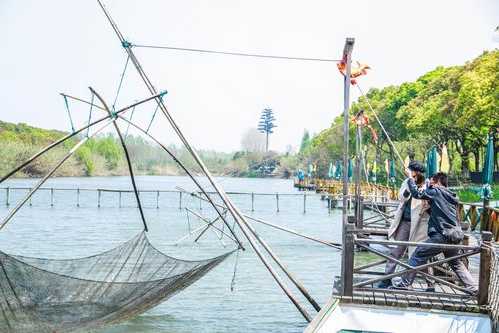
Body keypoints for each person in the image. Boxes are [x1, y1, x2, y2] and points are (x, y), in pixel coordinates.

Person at [392, 172, 477, 294]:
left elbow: (416, 193)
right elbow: (442, 212)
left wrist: (410, 179)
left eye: (431, 183)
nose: (430, 186)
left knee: (418, 254)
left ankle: (404, 284)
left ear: (438, 182)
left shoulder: (437, 191)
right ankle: (473, 288)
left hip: (441, 235)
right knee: (456, 263)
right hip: (454, 236)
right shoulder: (451, 196)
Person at [377, 161, 432, 289]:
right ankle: (387, 278)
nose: (408, 172)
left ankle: (430, 283)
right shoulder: (406, 182)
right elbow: (402, 198)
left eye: (410, 171)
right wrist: (409, 182)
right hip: (405, 222)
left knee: (419, 254)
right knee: (396, 251)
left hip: (420, 224)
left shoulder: (427, 184)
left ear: (416, 172)